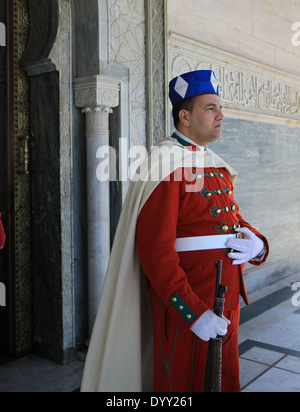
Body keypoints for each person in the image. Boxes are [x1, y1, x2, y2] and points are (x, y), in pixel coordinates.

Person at [81, 70, 269, 393]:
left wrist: (258, 246)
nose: (220, 115)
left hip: (226, 305)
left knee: (225, 383)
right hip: (189, 309)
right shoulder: (164, 164)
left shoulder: (214, 165)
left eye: (219, 107)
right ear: (184, 116)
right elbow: (157, 254)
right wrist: (194, 314)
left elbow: (232, 220)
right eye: (210, 108)